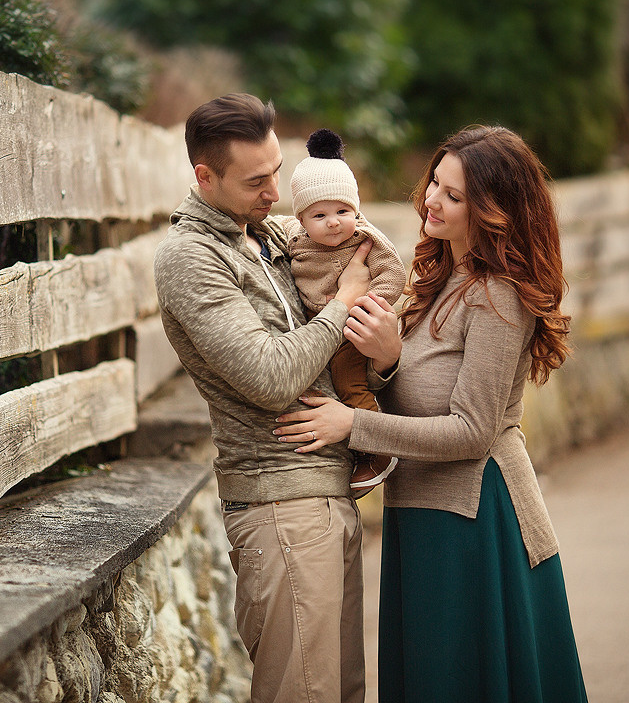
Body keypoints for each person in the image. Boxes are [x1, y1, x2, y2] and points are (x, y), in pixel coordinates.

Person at [274, 125, 589, 702]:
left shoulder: (499, 295)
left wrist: (353, 425)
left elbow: (473, 432)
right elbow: (423, 392)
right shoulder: (438, 278)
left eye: (453, 195)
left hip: (476, 518)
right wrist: (389, 360)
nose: (431, 202)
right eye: (434, 184)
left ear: (492, 210)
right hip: (421, 512)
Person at [154, 93, 373, 703]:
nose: (276, 192)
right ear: (205, 176)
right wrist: (342, 304)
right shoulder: (191, 258)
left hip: (328, 495)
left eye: (278, 170)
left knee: (342, 692)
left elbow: (359, 245)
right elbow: (272, 377)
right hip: (281, 507)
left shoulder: (273, 236)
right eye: (257, 181)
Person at [283, 128, 405, 498]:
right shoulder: (294, 239)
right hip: (322, 329)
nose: (334, 221)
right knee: (322, 388)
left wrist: (365, 305)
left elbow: (394, 274)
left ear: (356, 209)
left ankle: (378, 449)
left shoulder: (364, 240)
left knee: (349, 381)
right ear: (302, 219)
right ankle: (352, 448)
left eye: (343, 210)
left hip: (353, 329)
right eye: (320, 214)